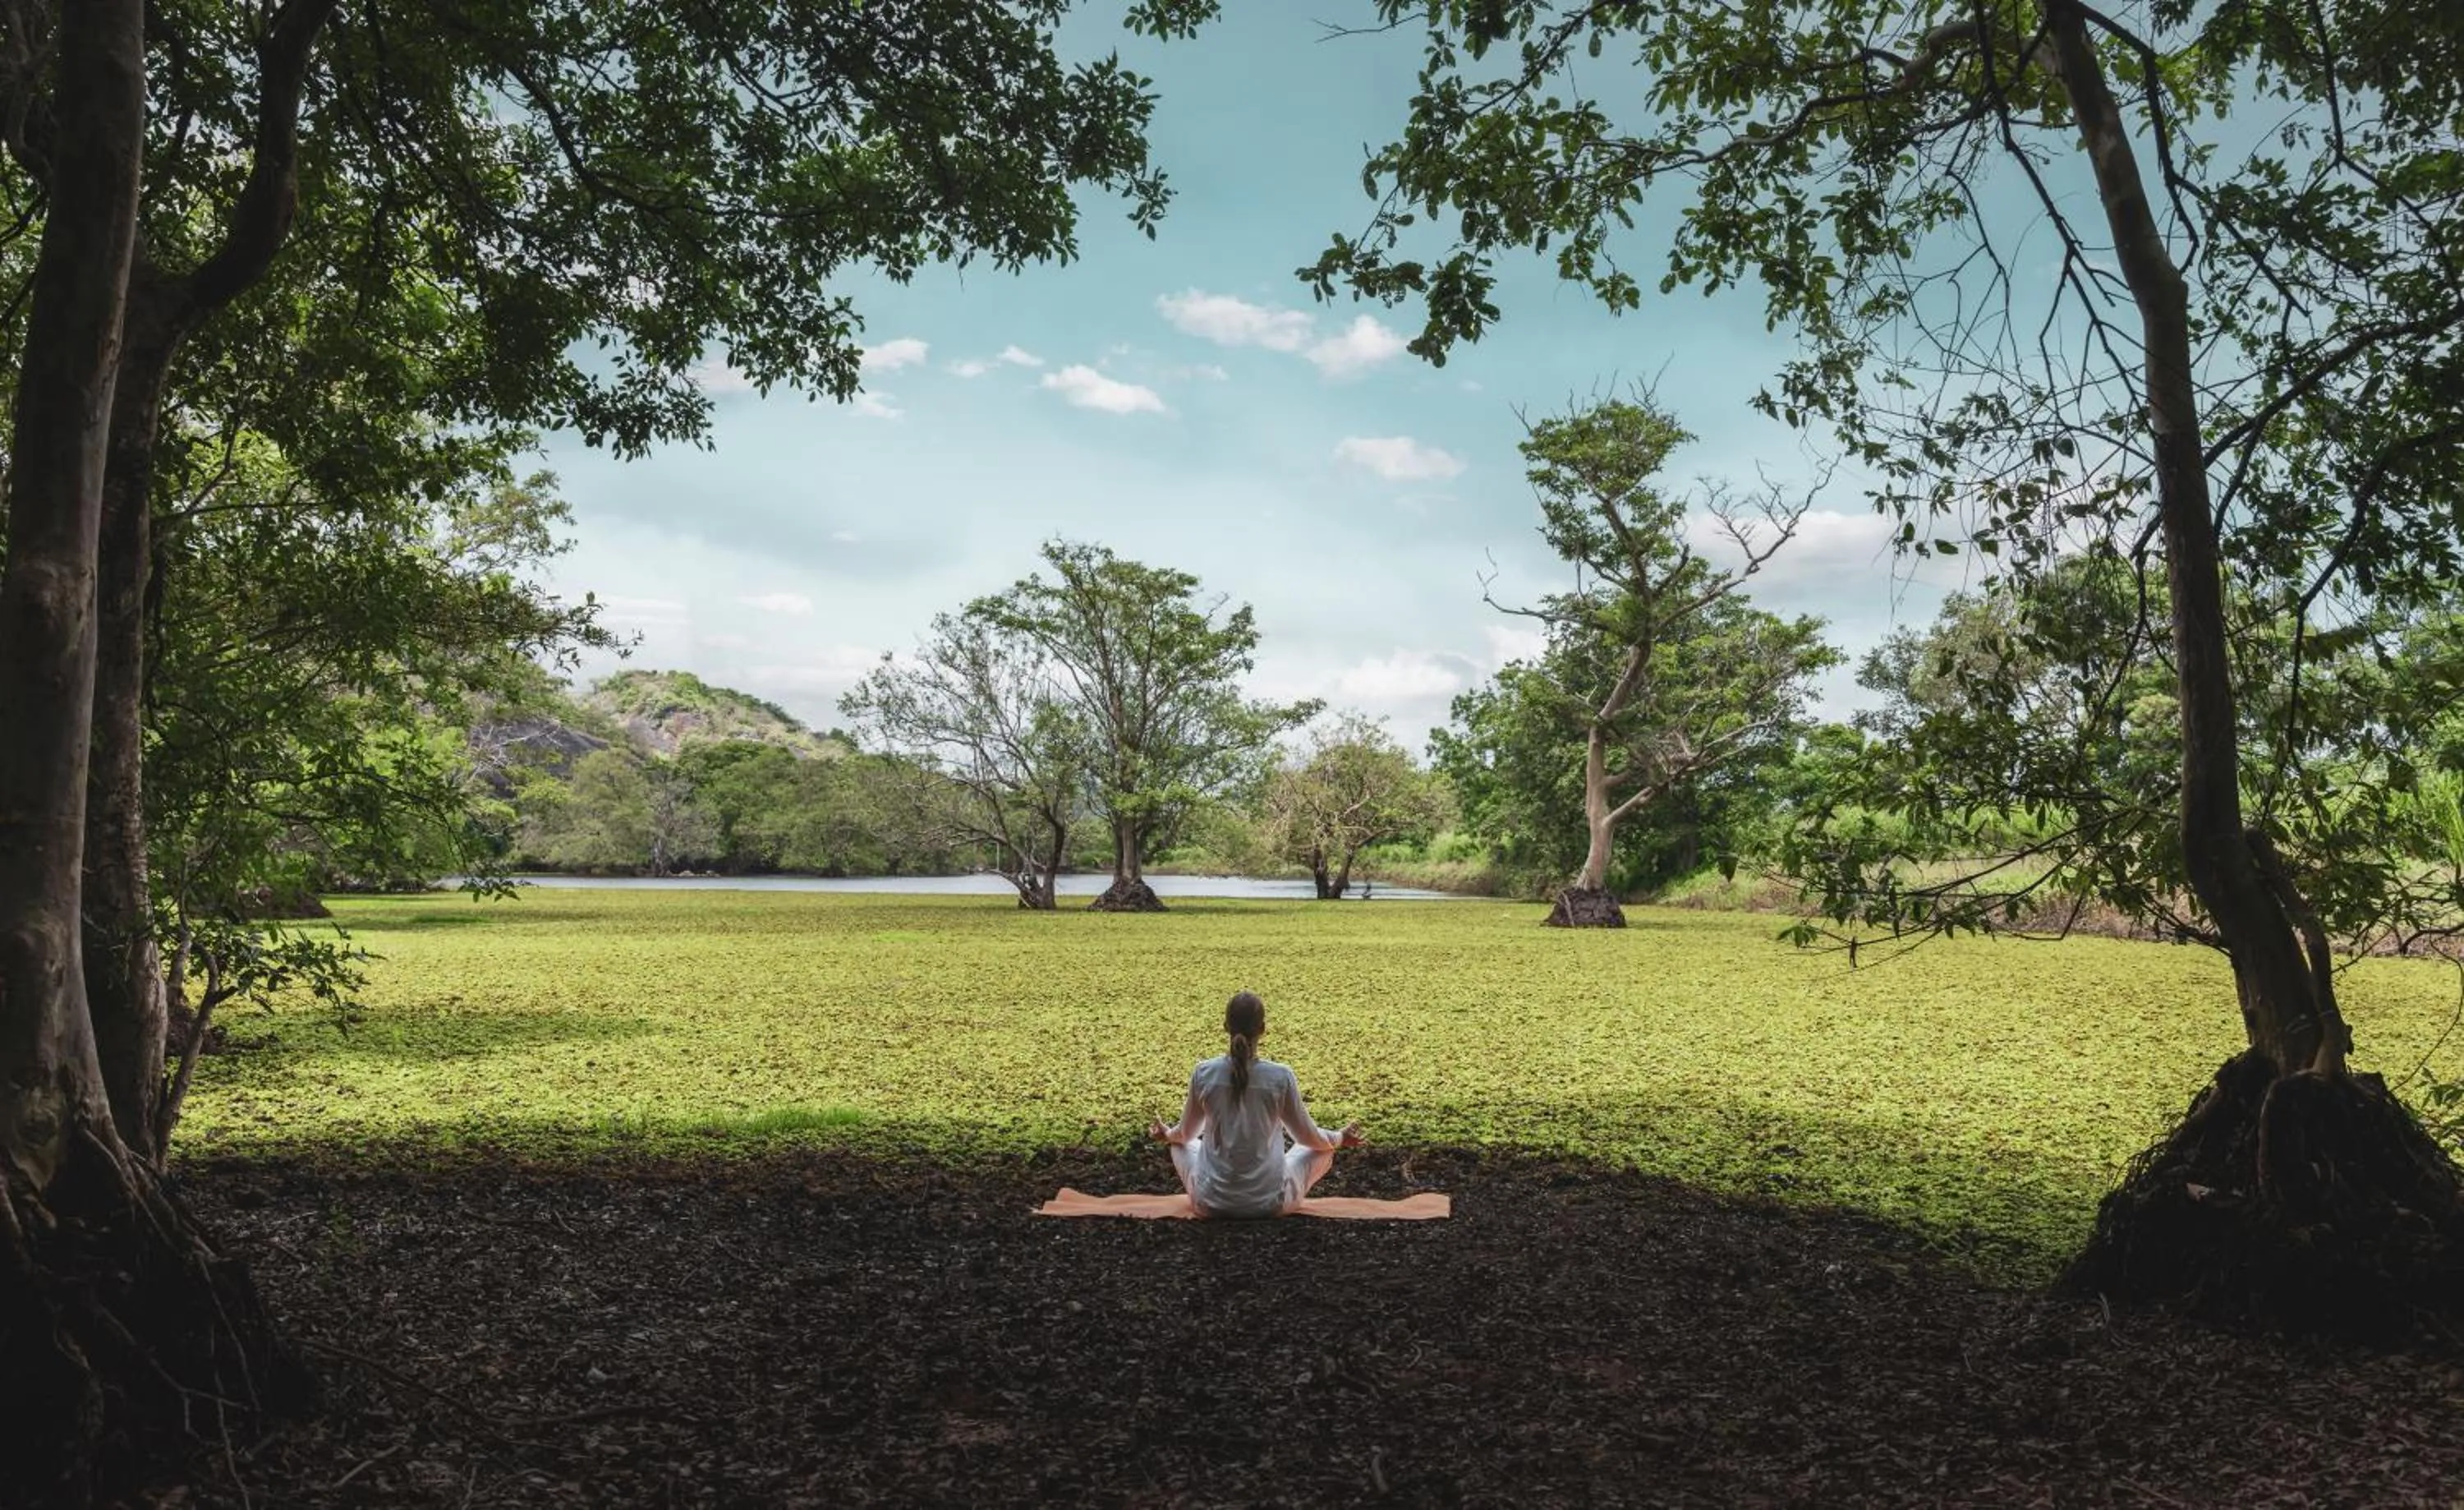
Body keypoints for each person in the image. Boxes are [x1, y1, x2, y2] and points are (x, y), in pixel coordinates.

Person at [1148, 991, 1365, 1218]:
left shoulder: (1204, 1072)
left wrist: (1167, 1134)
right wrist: (1340, 1138)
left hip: (1210, 1202)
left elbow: (1184, 1134)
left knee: (1179, 1145)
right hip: (1271, 1204)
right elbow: (1307, 1138)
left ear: (1225, 1026)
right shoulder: (1280, 1076)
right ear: (1262, 1029)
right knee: (1323, 1147)